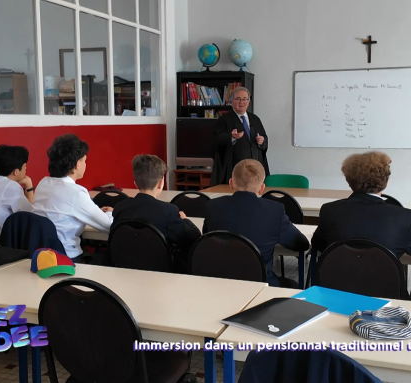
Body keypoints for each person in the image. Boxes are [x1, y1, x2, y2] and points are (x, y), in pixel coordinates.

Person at [311, 151, 411, 265]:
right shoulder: (402, 217)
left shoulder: (330, 210)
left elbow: (318, 244)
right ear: (385, 182)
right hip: (385, 293)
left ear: (349, 181)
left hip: (335, 291)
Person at [203, 159, 309, 287]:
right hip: (260, 283)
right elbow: (301, 244)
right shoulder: (275, 210)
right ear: (262, 188)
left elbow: (207, 236)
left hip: (219, 281)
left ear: (231, 183)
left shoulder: (213, 206)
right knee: (293, 285)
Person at [112, 155, 201, 271]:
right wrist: (184, 220)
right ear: (160, 183)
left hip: (124, 268)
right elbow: (194, 237)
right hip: (160, 271)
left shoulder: (120, 208)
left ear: (135, 183)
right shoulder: (168, 211)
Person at [32, 134, 113, 262]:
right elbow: (108, 225)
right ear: (77, 164)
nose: (86, 164)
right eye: (84, 160)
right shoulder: (76, 193)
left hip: (40, 257)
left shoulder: (43, 183)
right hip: (67, 258)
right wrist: (110, 213)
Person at [210, 87, 269, 185]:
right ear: (232, 101)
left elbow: (265, 139)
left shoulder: (255, 119)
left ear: (248, 102)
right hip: (234, 169)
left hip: (254, 169)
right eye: (238, 99)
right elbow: (217, 140)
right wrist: (232, 137)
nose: (241, 102)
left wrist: (262, 141)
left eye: (245, 99)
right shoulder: (224, 119)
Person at [0, 145, 33, 244]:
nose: (26, 170)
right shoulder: (10, 186)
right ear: (16, 172)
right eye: (25, 167)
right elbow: (30, 217)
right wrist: (29, 185)